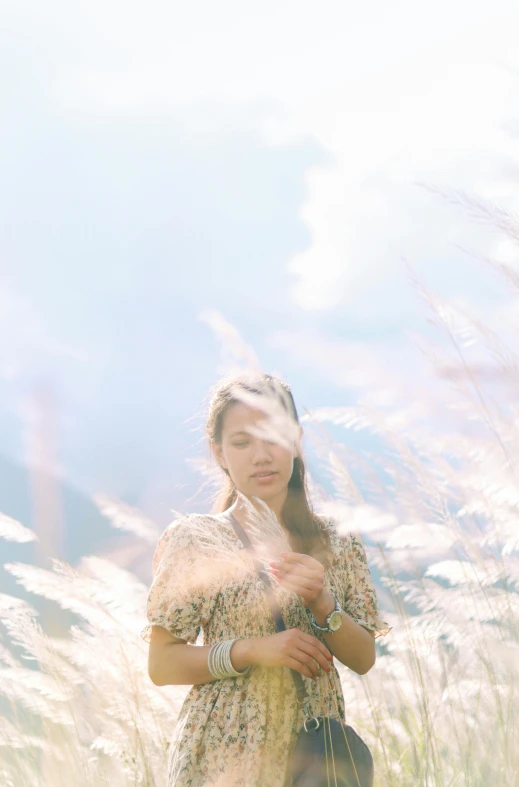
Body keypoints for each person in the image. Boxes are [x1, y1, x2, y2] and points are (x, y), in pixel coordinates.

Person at [141, 372, 390, 787]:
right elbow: (162, 664)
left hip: (314, 757)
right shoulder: (196, 539)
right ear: (218, 452)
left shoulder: (337, 542)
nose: (261, 455)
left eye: (273, 436)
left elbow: (363, 659)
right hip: (220, 756)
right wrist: (253, 650)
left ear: (295, 439)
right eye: (242, 442)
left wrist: (323, 603)